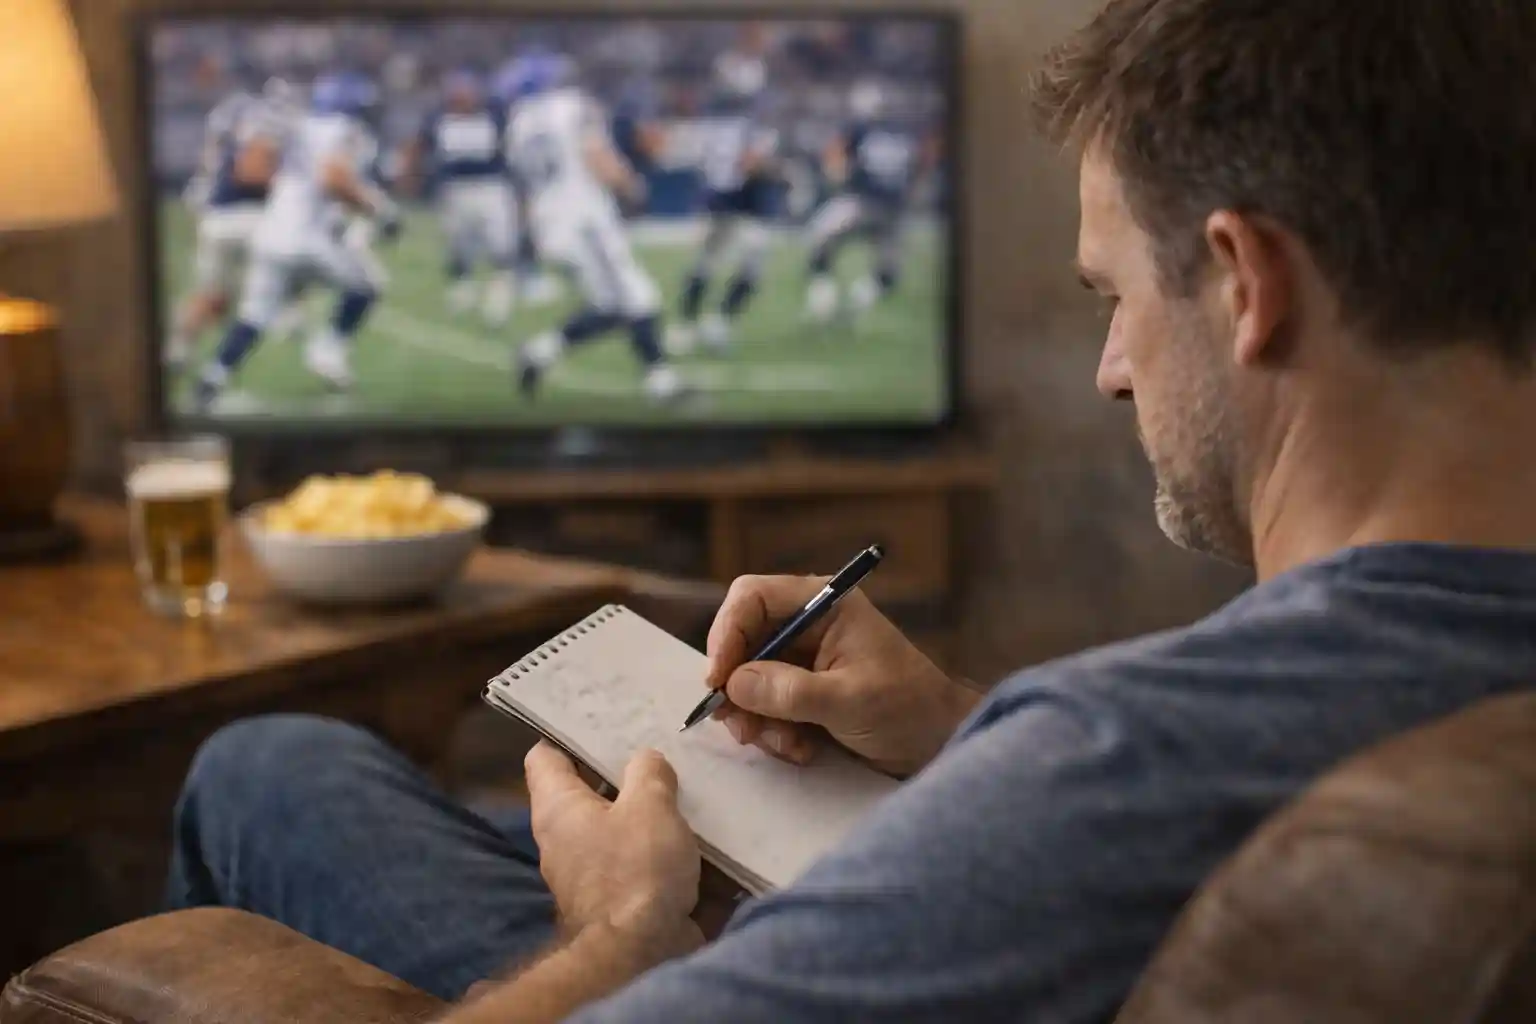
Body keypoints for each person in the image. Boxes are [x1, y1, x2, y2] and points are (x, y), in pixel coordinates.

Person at [167, 2, 1536, 1021]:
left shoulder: (1112, 762)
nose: (1111, 371)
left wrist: (618, 937)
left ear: (1245, 285)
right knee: (287, 762)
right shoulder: (1320, 706)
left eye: (1110, 295)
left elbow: (1102, 811)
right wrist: (963, 735)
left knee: (258, 772)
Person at [193, 71, 400, 405]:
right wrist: (381, 212)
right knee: (369, 285)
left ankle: (212, 378)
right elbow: (333, 178)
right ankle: (328, 349)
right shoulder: (346, 131)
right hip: (309, 240)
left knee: (254, 315)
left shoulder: (304, 126)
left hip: (272, 234)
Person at [501, 52, 682, 403]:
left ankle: (538, 352)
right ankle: (661, 382)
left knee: (611, 304)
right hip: (584, 218)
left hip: (550, 225)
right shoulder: (571, 106)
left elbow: (521, 188)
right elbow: (596, 154)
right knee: (637, 295)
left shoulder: (516, 124)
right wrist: (630, 187)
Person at [669, 47, 783, 354]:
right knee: (718, 263)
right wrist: (775, 169)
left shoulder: (724, 115)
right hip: (732, 196)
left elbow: (744, 159)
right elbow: (750, 161)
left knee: (736, 262)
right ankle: (698, 324)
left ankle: (706, 323)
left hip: (738, 197)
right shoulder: (734, 117)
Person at [801, 78, 931, 326]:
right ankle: (855, 303)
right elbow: (920, 166)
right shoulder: (904, 132)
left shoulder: (860, 128)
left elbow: (834, 158)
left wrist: (837, 176)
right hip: (894, 210)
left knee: (819, 242)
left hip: (860, 203)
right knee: (888, 272)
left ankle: (824, 300)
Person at [403, 69, 521, 327]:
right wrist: (410, 178)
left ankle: (499, 291)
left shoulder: (494, 115)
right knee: (458, 241)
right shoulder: (439, 118)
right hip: (455, 187)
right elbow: (418, 146)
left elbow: (513, 144)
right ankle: (463, 286)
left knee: (500, 240)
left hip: (490, 185)